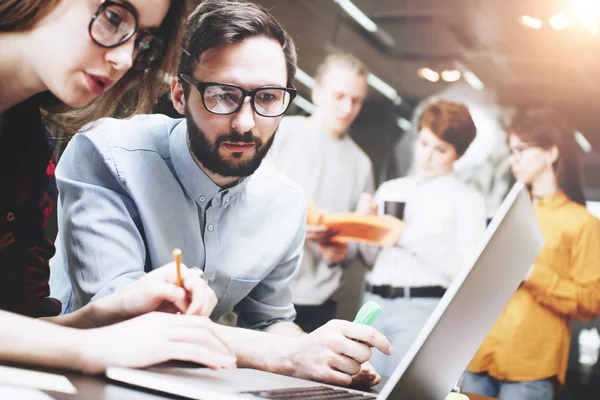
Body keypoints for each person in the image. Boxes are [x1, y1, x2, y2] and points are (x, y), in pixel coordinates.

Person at [49, 0, 392, 387]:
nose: (246, 124)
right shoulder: (109, 154)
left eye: (267, 98)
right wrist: (286, 356)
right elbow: (117, 312)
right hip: (78, 380)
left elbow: (270, 321)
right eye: (223, 95)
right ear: (180, 95)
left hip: (188, 383)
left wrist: (323, 357)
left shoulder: (285, 204)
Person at [0, 0, 237, 373]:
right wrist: (86, 347)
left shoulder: (28, 145)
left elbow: (24, 331)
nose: (125, 59)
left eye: (142, 42)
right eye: (114, 19)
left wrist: (116, 311)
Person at [462, 109, 600, 400]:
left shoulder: (582, 223)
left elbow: (591, 303)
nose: (513, 159)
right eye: (511, 151)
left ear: (551, 153)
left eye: (521, 150)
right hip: (478, 357)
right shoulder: (504, 213)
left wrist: (534, 275)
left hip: (530, 369)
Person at [357, 100, 487, 376]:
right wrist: (365, 226)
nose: (427, 156)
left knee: (402, 392)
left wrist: (406, 234)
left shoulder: (467, 201)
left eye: (440, 150)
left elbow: (464, 272)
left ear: (458, 154)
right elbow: (370, 260)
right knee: (357, 386)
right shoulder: (391, 189)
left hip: (422, 308)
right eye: (424, 143)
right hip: (372, 304)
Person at [267, 53, 374, 332]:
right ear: (317, 94)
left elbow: (357, 249)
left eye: (356, 100)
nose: (347, 107)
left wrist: (343, 249)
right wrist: (294, 227)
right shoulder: (280, 133)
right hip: (260, 289)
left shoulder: (361, 163)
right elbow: (238, 203)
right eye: (339, 96)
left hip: (318, 301)